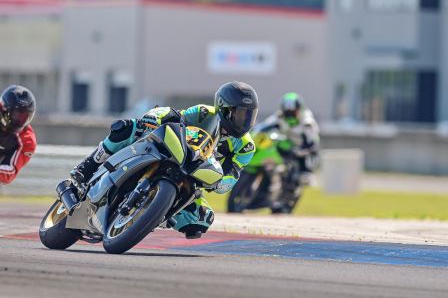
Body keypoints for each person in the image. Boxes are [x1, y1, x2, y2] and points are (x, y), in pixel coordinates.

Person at [68, 81, 258, 238]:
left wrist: (219, 183)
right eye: (241, 114)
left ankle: (151, 216)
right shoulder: (203, 113)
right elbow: (173, 115)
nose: (246, 121)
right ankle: (86, 168)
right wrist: (153, 118)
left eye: (250, 115)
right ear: (224, 109)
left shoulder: (246, 146)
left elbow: (232, 175)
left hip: (196, 176)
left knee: (201, 219)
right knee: (126, 128)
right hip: (173, 152)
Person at [255, 92, 319, 213]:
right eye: (287, 112)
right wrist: (257, 131)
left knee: (303, 174)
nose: (289, 115)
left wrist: (306, 150)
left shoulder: (307, 120)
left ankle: (292, 190)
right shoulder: (279, 116)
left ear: (299, 110)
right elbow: (265, 125)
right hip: (285, 144)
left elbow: (313, 141)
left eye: (292, 112)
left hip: (302, 148)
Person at [0, 85, 37, 185]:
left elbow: (8, 172)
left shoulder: (28, 141)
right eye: (16, 115)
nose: (20, 121)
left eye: (25, 117)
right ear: (4, 110)